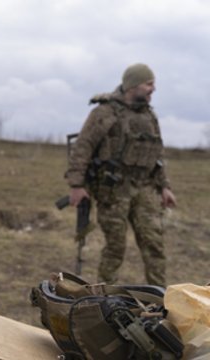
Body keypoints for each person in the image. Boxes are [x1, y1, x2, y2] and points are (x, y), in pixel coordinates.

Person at [64, 63, 176, 287]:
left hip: (144, 187)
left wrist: (164, 186)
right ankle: (105, 296)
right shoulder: (105, 112)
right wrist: (76, 185)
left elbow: (157, 153)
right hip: (113, 190)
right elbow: (83, 148)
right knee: (115, 247)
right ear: (133, 85)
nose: (153, 89)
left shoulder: (149, 116)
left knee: (154, 245)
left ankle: (161, 297)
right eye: (149, 83)